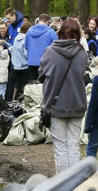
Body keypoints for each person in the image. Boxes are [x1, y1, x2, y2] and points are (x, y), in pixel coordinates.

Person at [38, 18, 89, 173]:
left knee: (61, 148)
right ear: (77, 34)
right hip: (77, 104)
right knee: (73, 146)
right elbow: (84, 76)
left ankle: (63, 184)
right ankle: (74, 183)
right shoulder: (82, 54)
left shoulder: (50, 52)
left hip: (55, 105)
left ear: (60, 33)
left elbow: (41, 75)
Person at [25, 13, 58, 81]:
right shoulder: (50, 32)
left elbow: (26, 46)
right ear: (48, 21)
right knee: (45, 87)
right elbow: (57, 47)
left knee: (33, 87)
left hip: (31, 62)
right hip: (46, 63)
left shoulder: (29, 31)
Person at [10, 22, 31, 100]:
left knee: (19, 87)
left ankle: (15, 101)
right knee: (25, 88)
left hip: (16, 67)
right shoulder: (25, 39)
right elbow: (26, 53)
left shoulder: (16, 38)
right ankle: (21, 103)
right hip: (25, 66)